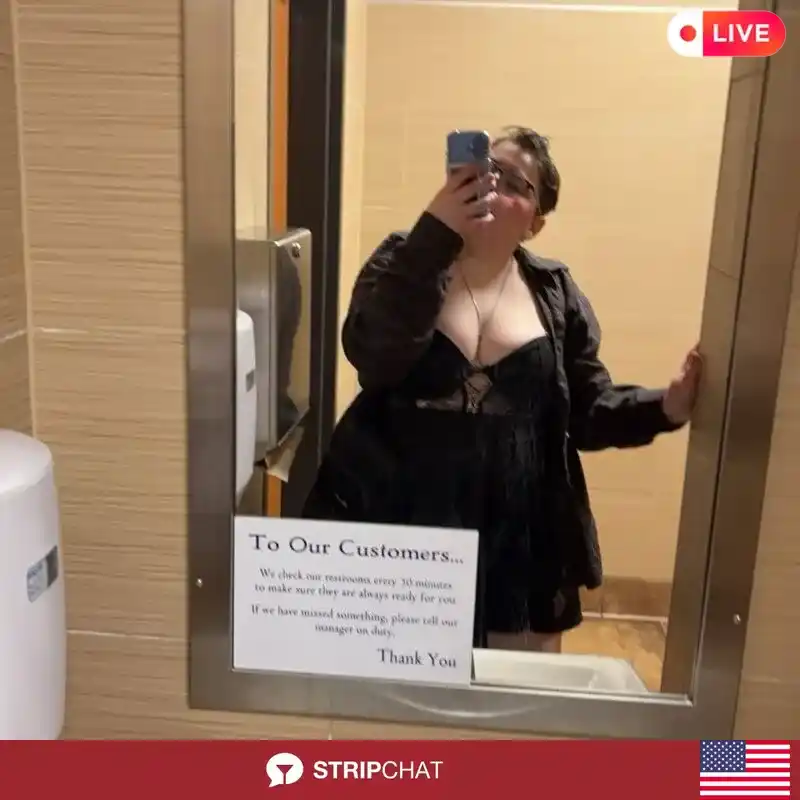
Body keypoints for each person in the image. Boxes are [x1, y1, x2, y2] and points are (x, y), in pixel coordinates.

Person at [302, 126, 702, 653]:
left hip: (519, 529)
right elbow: (374, 356)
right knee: (387, 671)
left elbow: (585, 410)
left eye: (513, 182)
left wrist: (665, 406)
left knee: (514, 682)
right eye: (484, 170)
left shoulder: (554, 292)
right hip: (399, 509)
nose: (491, 186)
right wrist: (435, 232)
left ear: (535, 222)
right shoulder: (406, 258)